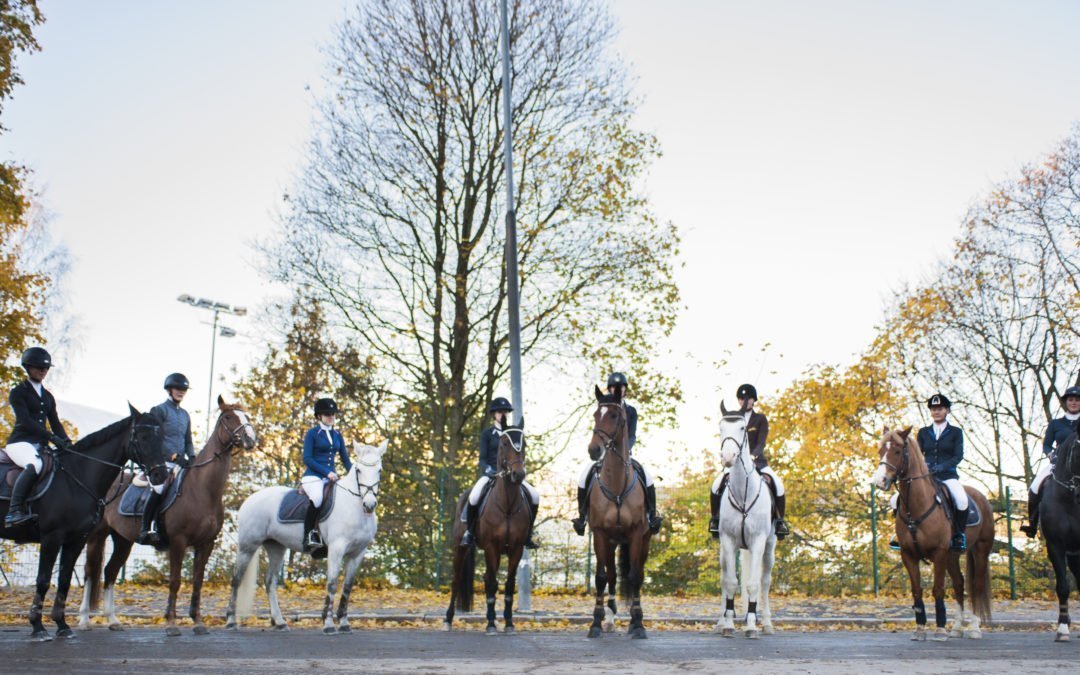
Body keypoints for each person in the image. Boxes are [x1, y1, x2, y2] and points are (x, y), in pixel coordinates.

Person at [571, 372, 662, 536]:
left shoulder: (631, 410)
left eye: (620, 387)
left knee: (648, 477)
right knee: (583, 477)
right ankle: (582, 516)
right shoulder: (603, 409)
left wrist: (627, 448)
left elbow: (632, 434)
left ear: (624, 390)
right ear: (609, 389)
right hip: (604, 455)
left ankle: (651, 516)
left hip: (624, 455)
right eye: (613, 387)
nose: (617, 389)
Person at [708, 384, 790, 540]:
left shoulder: (760, 419)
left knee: (778, 485)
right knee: (716, 484)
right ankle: (715, 519)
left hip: (758, 462)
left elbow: (761, 442)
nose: (745, 401)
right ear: (738, 400)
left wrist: (753, 456)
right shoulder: (733, 419)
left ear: (754, 400)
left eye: (748, 398)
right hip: (735, 465)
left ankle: (780, 522)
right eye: (741, 398)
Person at [889, 393, 968, 552]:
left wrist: (942, 467)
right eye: (933, 409)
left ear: (947, 410)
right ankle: (900, 534)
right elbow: (917, 455)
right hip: (926, 477)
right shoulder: (924, 432)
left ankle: (958, 535)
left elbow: (957, 456)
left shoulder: (955, 432)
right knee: (894, 499)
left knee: (961, 499)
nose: (936, 412)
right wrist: (924, 466)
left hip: (948, 477)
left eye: (940, 409)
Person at [3, 347, 72, 527]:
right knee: (35, 464)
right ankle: (14, 511)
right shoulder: (18, 391)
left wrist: (66, 442)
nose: (43, 371)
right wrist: (51, 437)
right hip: (20, 443)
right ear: (28, 367)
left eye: (46, 368)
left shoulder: (48, 396)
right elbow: (25, 421)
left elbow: (55, 423)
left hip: (40, 445)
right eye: (38, 367)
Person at [460, 397, 540, 549]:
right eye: (499, 411)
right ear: (493, 414)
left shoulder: (513, 433)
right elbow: (482, 459)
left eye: (505, 411)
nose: (502, 413)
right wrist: (488, 470)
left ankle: (528, 533)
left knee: (535, 495)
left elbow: (519, 453)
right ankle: (469, 532)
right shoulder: (487, 434)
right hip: (490, 474)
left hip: (512, 475)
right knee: (474, 495)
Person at [138, 373, 194, 545]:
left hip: (181, 463)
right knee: (160, 488)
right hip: (161, 462)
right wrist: (173, 456)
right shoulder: (159, 410)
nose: (181, 392)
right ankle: (146, 528)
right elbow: (156, 439)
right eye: (178, 389)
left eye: (184, 389)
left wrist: (192, 457)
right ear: (170, 390)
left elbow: (188, 440)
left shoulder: (185, 415)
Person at [1020, 384, 1080, 537]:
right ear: (1066, 402)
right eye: (1071, 399)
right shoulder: (1056, 424)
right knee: (1034, 487)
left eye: (1077, 400)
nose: (1074, 402)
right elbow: (1046, 444)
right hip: (1058, 464)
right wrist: (1050, 455)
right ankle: (1032, 524)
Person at [300, 398, 351, 554]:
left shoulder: (337, 434)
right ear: (319, 416)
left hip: (331, 477)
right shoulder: (312, 433)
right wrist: (327, 472)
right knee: (317, 498)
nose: (331, 417)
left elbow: (345, 459)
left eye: (333, 414)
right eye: (327, 414)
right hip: (313, 477)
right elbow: (307, 458)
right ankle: (309, 535)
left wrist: (356, 474)